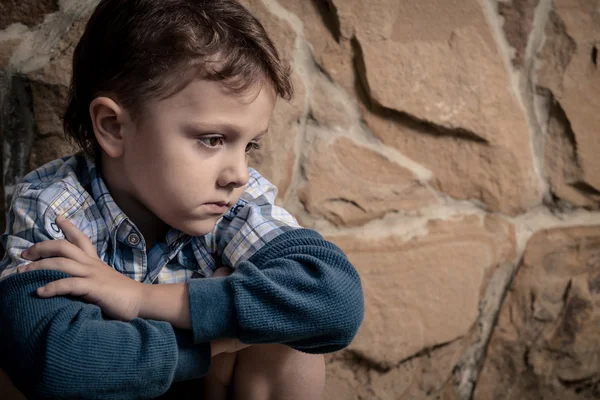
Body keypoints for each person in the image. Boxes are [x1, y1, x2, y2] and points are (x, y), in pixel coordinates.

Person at [0, 0, 364, 399]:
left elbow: (336, 300)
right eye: (212, 139)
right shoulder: (56, 208)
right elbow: (61, 364)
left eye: (250, 145)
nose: (238, 174)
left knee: (290, 337)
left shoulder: (234, 201)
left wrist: (143, 299)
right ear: (113, 128)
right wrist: (213, 343)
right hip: (117, 384)